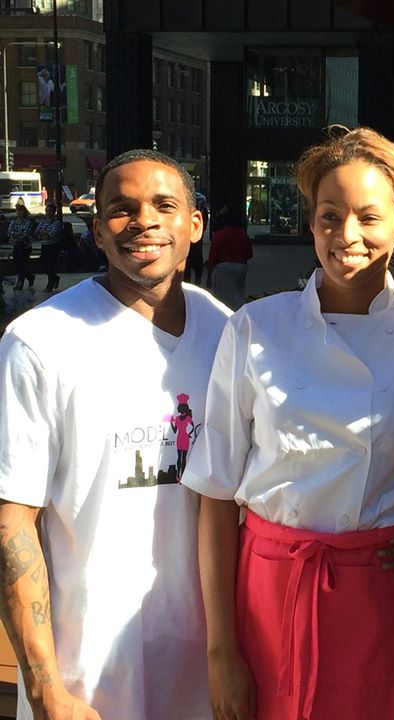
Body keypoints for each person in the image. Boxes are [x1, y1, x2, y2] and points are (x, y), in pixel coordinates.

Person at [181, 127, 394, 720]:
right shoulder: (256, 327)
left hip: (387, 597)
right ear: (311, 223)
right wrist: (221, 649)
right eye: (330, 216)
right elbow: (215, 494)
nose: (346, 235)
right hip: (272, 593)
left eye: (369, 217)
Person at [0, 148, 230, 720]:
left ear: (195, 224)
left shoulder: (227, 332)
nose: (143, 221)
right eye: (121, 209)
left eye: (164, 205)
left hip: (205, 668)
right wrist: (45, 687)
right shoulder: (39, 342)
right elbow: (11, 519)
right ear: (98, 230)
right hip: (86, 674)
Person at [206, 207, 253, 310]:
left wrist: (209, 276)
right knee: (238, 294)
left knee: (221, 297)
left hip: (224, 267)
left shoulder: (218, 236)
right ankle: (239, 313)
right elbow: (249, 254)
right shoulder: (243, 234)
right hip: (240, 267)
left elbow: (212, 257)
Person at [7, 203, 36, 290]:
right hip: (15, 246)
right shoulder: (14, 222)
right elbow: (9, 232)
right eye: (17, 211)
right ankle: (30, 276)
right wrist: (16, 234)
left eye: (21, 211)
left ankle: (20, 283)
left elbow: (25, 234)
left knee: (22, 264)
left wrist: (16, 235)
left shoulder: (28, 222)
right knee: (17, 264)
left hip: (25, 247)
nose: (19, 213)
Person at [35, 203, 63, 292]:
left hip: (53, 246)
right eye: (46, 210)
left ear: (54, 212)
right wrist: (45, 233)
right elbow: (37, 232)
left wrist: (44, 233)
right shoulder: (43, 221)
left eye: (50, 211)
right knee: (43, 264)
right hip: (44, 245)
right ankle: (55, 277)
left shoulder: (57, 223)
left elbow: (52, 234)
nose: (48, 213)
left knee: (50, 265)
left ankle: (50, 285)